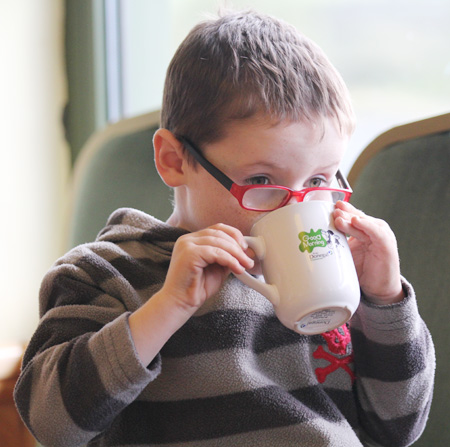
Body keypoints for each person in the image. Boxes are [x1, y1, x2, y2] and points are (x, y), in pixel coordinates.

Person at [14, 9, 434, 447]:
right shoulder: (105, 273)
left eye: (318, 181)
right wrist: (168, 306)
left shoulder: (332, 269)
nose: (294, 206)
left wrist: (386, 300)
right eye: (259, 181)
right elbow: (52, 423)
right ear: (174, 160)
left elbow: (398, 427)